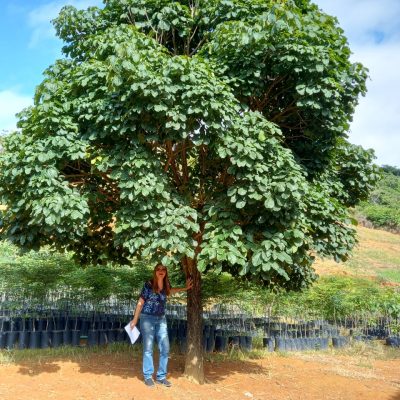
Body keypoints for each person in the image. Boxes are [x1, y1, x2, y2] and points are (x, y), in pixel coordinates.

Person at [130, 263, 193, 387]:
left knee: (165, 348)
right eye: (158, 269)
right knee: (148, 348)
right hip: (147, 318)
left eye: (163, 269)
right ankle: (148, 376)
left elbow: (171, 291)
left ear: (165, 272)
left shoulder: (166, 285)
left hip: (161, 319)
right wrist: (135, 320)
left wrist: (185, 288)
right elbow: (140, 302)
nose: (161, 271)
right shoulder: (148, 284)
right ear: (155, 271)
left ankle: (161, 377)